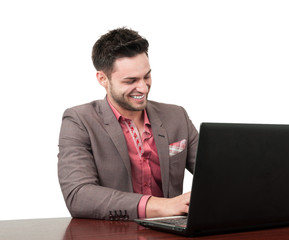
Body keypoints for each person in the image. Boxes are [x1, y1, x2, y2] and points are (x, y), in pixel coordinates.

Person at [58, 27, 198, 221]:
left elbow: (217, 173)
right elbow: (78, 195)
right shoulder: (79, 120)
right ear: (102, 79)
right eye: (130, 80)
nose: (143, 87)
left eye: (146, 76)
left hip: (171, 233)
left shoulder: (176, 116)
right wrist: (164, 205)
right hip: (114, 233)